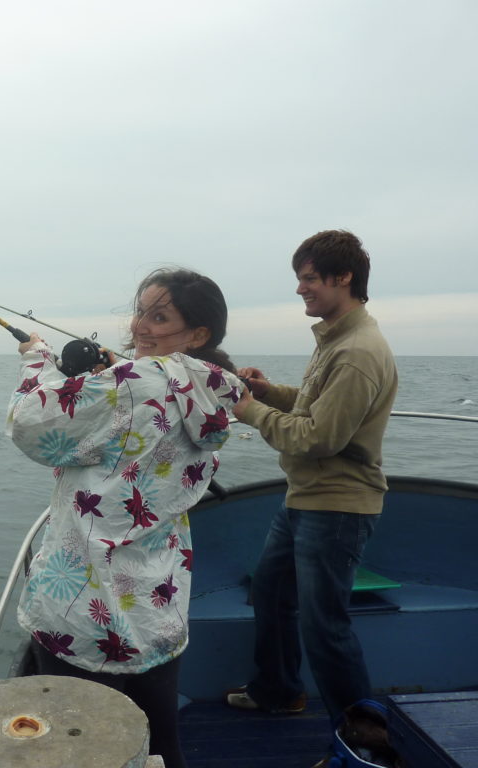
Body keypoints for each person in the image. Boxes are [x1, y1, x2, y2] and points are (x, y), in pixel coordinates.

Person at [8, 268, 243, 768]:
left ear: (198, 334)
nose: (140, 325)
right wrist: (119, 373)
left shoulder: (132, 383)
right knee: (161, 743)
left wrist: (37, 360)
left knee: (79, 745)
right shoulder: (215, 389)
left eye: (159, 317)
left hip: (84, 607)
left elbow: (30, 422)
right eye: (141, 311)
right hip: (158, 608)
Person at [227, 231, 398, 743]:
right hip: (305, 500)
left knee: (325, 628)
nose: (301, 289)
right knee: (272, 591)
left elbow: (319, 438)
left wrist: (249, 411)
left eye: (308, 278)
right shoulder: (337, 339)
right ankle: (277, 690)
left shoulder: (357, 351)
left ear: (342, 278)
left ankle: (364, 743)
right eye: (299, 279)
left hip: (338, 507)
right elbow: (313, 403)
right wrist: (268, 392)